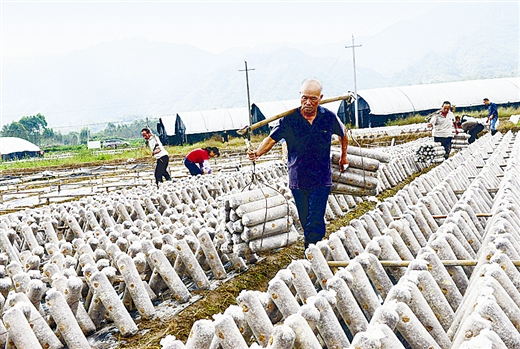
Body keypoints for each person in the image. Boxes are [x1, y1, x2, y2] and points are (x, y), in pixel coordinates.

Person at [248, 78, 349, 249]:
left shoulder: (328, 117)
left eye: (313, 98)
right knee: (304, 218)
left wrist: (343, 156)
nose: (308, 102)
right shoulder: (289, 120)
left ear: (320, 97)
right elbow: (271, 139)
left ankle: (312, 250)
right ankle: (313, 247)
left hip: (321, 177)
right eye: (304, 98)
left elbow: (343, 134)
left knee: (315, 218)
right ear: (300, 96)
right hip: (298, 178)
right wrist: (257, 153)